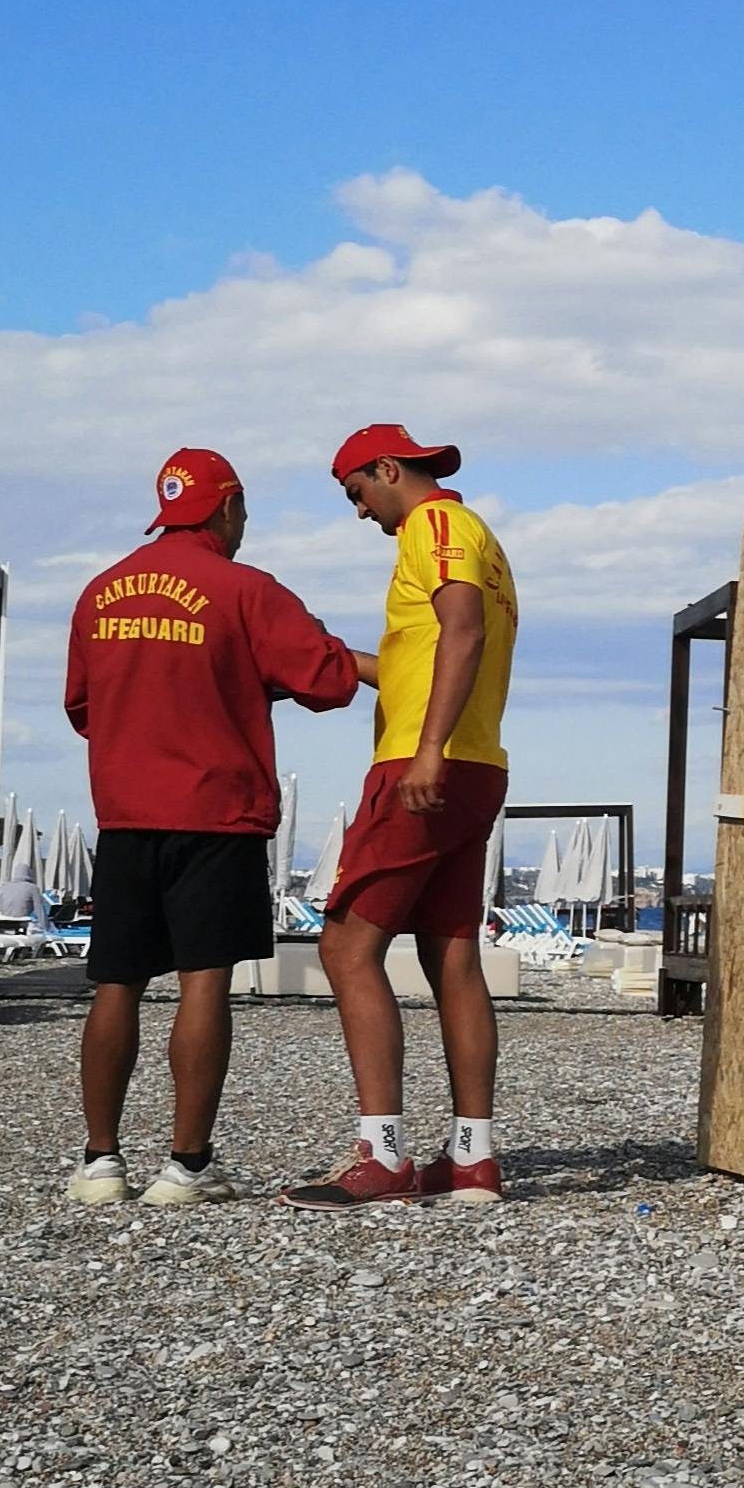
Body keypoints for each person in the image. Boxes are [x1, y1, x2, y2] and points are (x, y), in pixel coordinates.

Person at [63, 448, 362, 1209]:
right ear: (225, 506)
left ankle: (101, 1162)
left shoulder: (101, 592)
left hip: (127, 811)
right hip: (216, 813)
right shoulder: (245, 589)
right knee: (205, 981)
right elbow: (328, 681)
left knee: (116, 984)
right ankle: (186, 1165)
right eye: (244, 511)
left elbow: (82, 707)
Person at [285, 424, 518, 1209]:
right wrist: (338, 656)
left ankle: (382, 1155)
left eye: (356, 491)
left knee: (347, 943)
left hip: (427, 768)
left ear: (388, 470)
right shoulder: (477, 538)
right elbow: (427, 656)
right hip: (476, 763)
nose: (358, 511)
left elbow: (464, 630)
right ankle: (472, 1160)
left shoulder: (437, 525)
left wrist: (425, 750)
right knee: (452, 953)